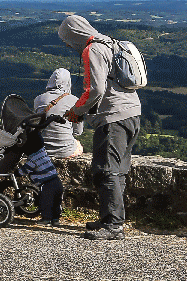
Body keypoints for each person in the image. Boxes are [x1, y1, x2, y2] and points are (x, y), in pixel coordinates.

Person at [58, 15, 141, 240]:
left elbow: (95, 89)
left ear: (74, 35)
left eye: (67, 39)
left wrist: (77, 111)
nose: (67, 45)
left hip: (113, 117)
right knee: (118, 170)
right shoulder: (109, 42)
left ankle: (113, 225)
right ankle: (110, 218)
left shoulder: (92, 50)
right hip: (132, 113)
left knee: (107, 170)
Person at [33, 68, 85, 160]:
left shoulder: (38, 99)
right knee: (78, 145)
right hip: (65, 150)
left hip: (41, 149)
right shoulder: (75, 101)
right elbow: (78, 131)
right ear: (68, 82)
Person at [19, 135, 66, 228]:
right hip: (57, 181)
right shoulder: (43, 152)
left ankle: (46, 219)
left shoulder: (33, 159)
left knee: (46, 202)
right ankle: (55, 219)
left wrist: (17, 172)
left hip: (47, 184)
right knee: (56, 202)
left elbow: (24, 170)